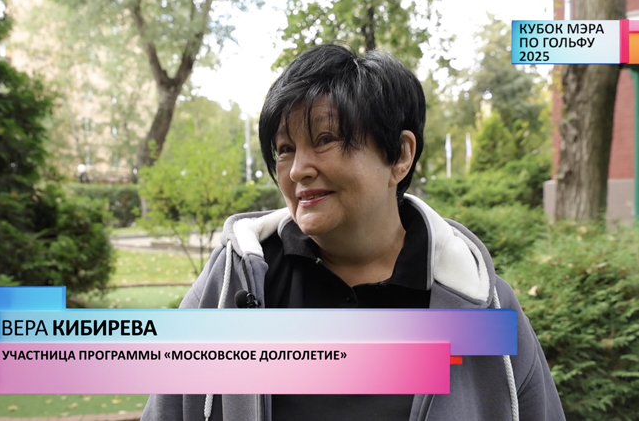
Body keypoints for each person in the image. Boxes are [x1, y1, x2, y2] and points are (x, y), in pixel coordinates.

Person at [141, 44, 566, 421]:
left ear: (399, 155)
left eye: (325, 138)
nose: (297, 170)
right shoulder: (234, 283)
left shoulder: (479, 302)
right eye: (285, 149)